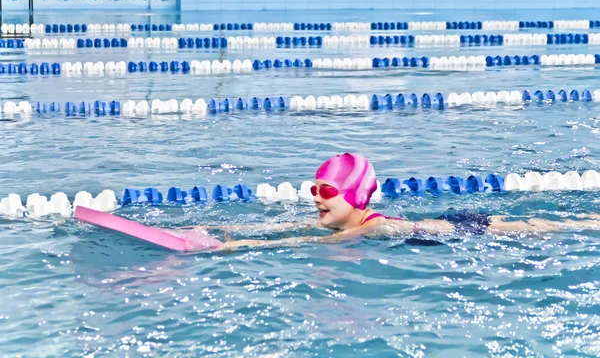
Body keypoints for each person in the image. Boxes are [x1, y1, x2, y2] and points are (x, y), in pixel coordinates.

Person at [195, 153, 600, 251]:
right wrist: (221, 231)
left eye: (328, 191)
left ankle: (589, 222)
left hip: (466, 228)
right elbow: (284, 228)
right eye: (314, 189)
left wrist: (236, 248)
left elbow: (301, 244)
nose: (317, 198)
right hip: (444, 221)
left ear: (354, 198)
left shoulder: (368, 226)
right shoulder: (341, 220)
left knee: (546, 227)